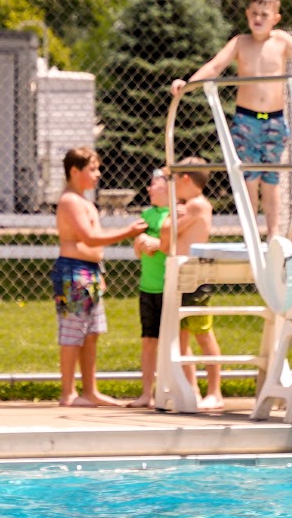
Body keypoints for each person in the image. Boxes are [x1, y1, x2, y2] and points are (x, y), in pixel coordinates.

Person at [172, 0, 292, 240]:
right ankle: (251, 234)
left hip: (273, 120)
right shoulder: (240, 43)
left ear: (276, 18)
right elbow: (215, 66)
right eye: (254, 14)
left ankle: (273, 235)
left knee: (271, 180)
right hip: (246, 120)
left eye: (264, 14)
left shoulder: (281, 41)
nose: (258, 19)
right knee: (249, 178)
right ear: (247, 15)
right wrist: (188, 84)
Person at [52, 146, 147, 407]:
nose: (98, 174)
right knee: (73, 333)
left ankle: (90, 391)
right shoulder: (70, 201)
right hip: (73, 273)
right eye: (92, 169)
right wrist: (128, 232)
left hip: (90, 272)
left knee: (91, 333)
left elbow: (93, 245)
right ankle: (68, 393)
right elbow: (89, 238)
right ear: (75, 171)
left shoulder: (85, 202)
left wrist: (99, 271)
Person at [143, 158, 224, 409]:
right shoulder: (187, 206)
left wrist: (169, 221)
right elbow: (168, 238)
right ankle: (191, 390)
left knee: (203, 334)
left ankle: (215, 392)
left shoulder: (196, 205)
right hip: (182, 277)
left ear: (185, 179)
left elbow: (166, 233)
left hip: (195, 279)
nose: (171, 185)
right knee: (180, 337)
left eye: (174, 179)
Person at [128, 168, 171, 409]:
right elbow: (138, 252)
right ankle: (147, 394)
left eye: (154, 184)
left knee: (174, 342)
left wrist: (157, 243)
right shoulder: (146, 215)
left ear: (168, 187)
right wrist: (141, 243)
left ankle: (177, 390)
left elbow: (175, 245)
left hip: (168, 288)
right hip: (148, 288)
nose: (149, 188)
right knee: (148, 341)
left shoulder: (176, 214)